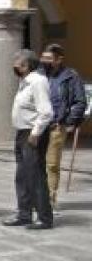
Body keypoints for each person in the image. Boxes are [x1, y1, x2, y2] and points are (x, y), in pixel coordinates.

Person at [3, 49, 54, 230]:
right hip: (22, 133)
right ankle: (24, 214)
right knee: (22, 175)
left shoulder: (38, 81)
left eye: (18, 62)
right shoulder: (24, 82)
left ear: (27, 64)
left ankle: (44, 217)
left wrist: (35, 133)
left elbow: (46, 111)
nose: (14, 65)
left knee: (36, 175)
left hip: (33, 133)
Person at [39, 43, 87, 208]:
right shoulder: (38, 75)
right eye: (43, 57)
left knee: (52, 164)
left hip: (56, 126)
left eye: (49, 58)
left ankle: (50, 199)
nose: (45, 61)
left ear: (59, 59)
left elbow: (80, 101)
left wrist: (69, 121)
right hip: (38, 125)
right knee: (37, 163)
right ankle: (39, 196)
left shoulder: (70, 76)